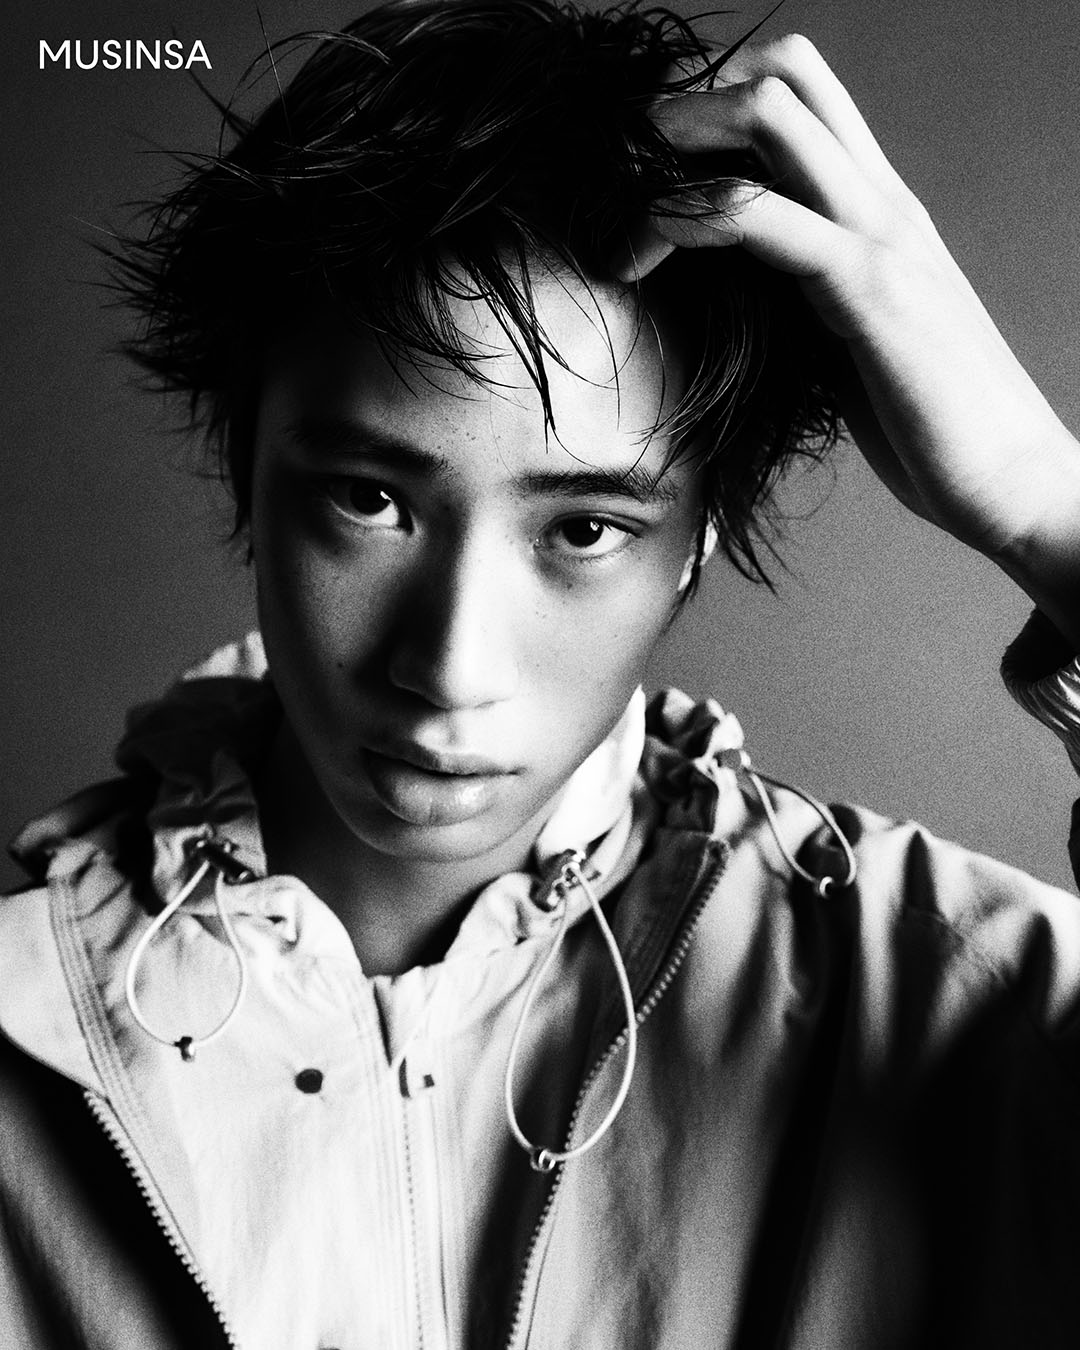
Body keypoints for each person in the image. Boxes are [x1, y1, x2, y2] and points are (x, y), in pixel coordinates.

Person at [3, 1, 1080, 1346]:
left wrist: (1049, 509)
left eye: (583, 529)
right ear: (249, 472)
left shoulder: (963, 999)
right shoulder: (23, 1035)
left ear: (697, 539)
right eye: (367, 500)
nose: (451, 667)